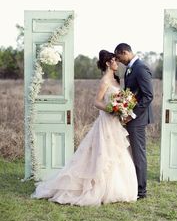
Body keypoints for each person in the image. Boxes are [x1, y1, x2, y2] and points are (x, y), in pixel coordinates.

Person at [31, 50, 138, 206]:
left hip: (115, 123)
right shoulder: (105, 81)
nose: (117, 63)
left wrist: (122, 109)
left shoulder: (117, 80)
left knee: (117, 153)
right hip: (106, 122)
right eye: (115, 60)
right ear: (108, 63)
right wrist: (112, 109)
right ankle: (95, 187)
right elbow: (97, 102)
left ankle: (116, 188)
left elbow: (119, 99)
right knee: (103, 154)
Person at [114, 43, 154, 199]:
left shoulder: (140, 68)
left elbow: (148, 96)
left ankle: (141, 191)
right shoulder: (131, 68)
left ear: (125, 52)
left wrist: (132, 114)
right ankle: (133, 185)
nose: (119, 61)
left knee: (138, 154)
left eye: (119, 57)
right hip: (131, 117)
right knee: (132, 153)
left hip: (138, 119)